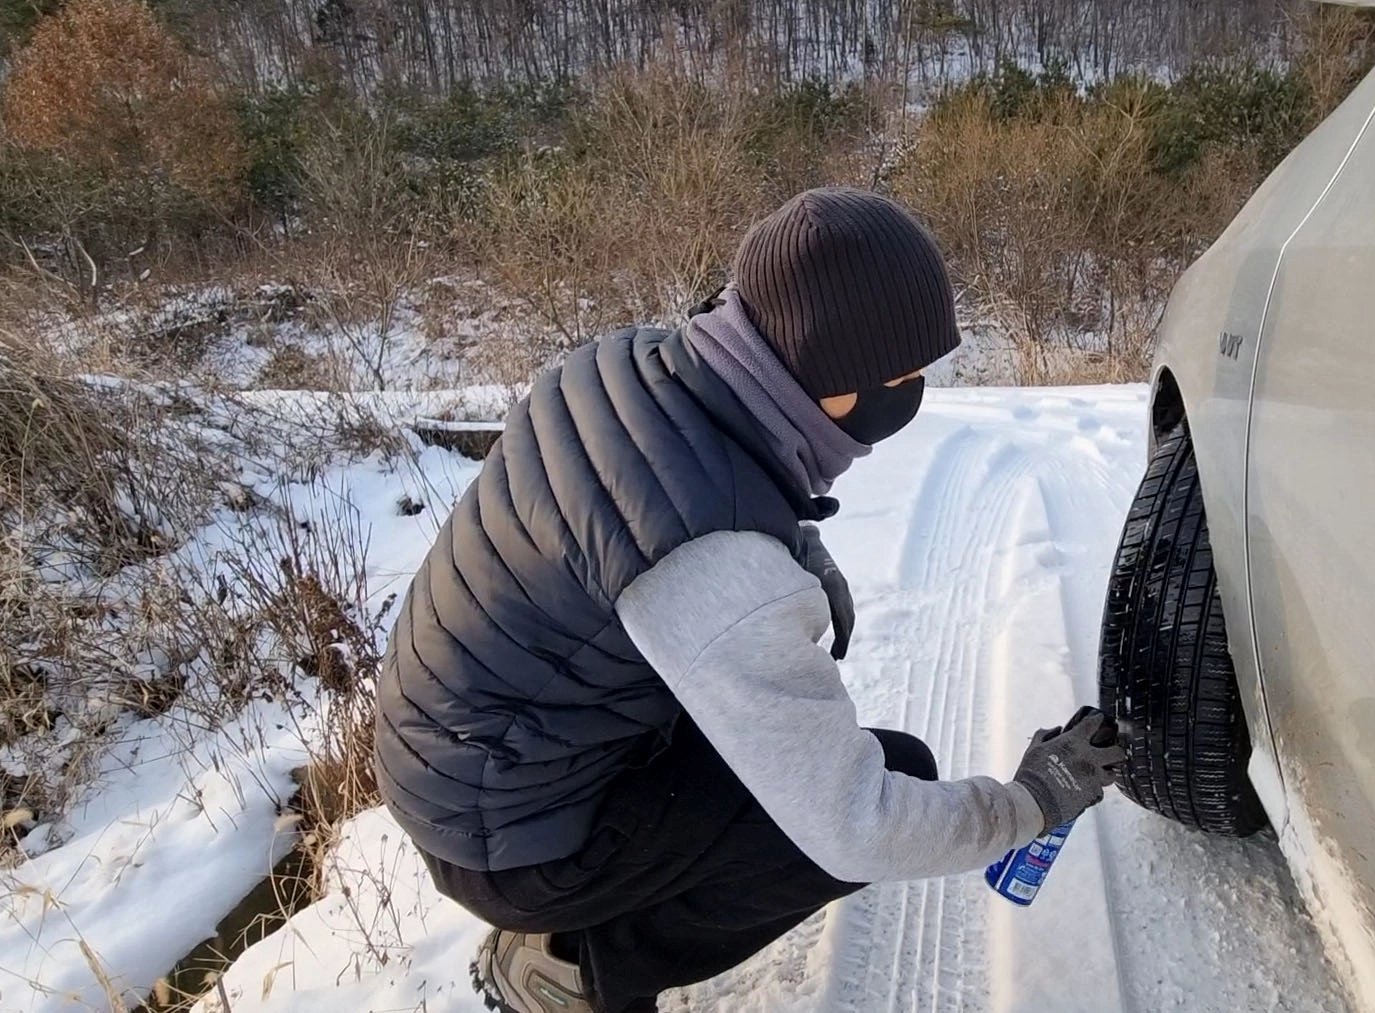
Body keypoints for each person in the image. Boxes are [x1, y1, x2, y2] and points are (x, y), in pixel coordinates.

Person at [374, 187, 1127, 1013]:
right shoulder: (715, 569)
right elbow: (856, 822)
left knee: (796, 755)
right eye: (899, 374)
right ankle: (573, 966)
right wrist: (1031, 802)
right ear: (827, 373)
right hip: (504, 836)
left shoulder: (634, 364)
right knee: (870, 794)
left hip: (460, 760)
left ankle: (575, 915)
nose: (910, 393)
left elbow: (684, 492)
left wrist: (797, 547)